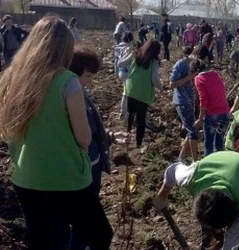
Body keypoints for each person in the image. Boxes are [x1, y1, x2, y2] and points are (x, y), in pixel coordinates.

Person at [0, 16, 113, 249]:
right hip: (66, 180)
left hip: (26, 178)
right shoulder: (67, 82)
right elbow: (84, 138)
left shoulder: (13, 78)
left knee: (43, 242)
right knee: (99, 234)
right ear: (65, 48)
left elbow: (6, 132)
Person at [69, 45, 128, 250]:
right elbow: (80, 136)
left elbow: (90, 129)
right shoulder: (69, 97)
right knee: (90, 229)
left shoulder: (80, 92)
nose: (89, 80)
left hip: (91, 167)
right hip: (81, 171)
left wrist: (110, 136)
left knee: (85, 226)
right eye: (87, 75)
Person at [153, 151, 239, 250]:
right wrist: (162, 195)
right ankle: (206, 244)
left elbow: (233, 242)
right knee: (208, 219)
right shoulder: (192, 177)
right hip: (217, 162)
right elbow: (173, 171)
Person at [118, 40, 163, 147]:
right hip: (143, 93)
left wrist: (128, 53)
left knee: (130, 114)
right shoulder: (154, 62)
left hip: (131, 88)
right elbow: (154, 79)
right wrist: (161, 88)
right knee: (141, 119)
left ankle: (127, 135)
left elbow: (120, 63)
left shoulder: (135, 54)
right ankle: (138, 143)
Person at [191, 59, 230, 156]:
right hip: (224, 111)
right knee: (219, 142)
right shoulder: (216, 74)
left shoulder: (199, 78)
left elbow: (203, 99)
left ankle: (208, 166)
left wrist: (200, 119)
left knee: (208, 144)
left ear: (195, 71)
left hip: (212, 114)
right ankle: (221, 164)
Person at [170, 46, 198, 162]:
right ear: (188, 55)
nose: (196, 58)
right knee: (193, 131)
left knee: (190, 129)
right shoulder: (180, 65)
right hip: (181, 101)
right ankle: (196, 161)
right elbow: (171, 84)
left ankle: (181, 158)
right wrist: (188, 78)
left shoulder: (195, 65)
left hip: (190, 101)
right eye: (195, 55)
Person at [114, 31, 135, 120]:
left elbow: (116, 62)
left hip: (120, 72)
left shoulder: (117, 48)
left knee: (125, 91)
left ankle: (124, 112)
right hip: (128, 73)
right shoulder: (128, 48)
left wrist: (116, 73)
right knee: (127, 94)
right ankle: (124, 113)